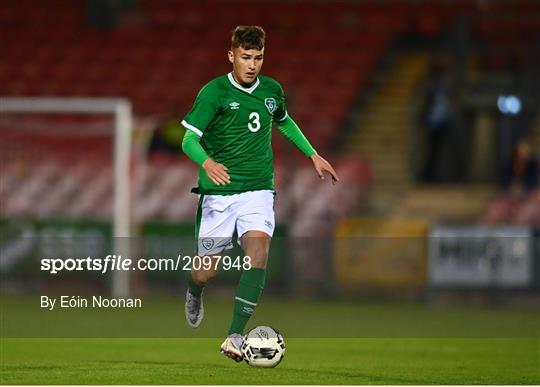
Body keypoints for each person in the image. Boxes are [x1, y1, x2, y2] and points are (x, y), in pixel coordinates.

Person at [180, 25, 339, 361]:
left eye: (258, 57)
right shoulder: (214, 93)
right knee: (205, 271)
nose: (252, 64)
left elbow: (284, 120)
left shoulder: (271, 90)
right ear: (232, 56)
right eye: (246, 57)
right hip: (219, 195)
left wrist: (313, 154)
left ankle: (235, 335)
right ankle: (195, 291)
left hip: (258, 191)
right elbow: (188, 139)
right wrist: (207, 162)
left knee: (259, 251)